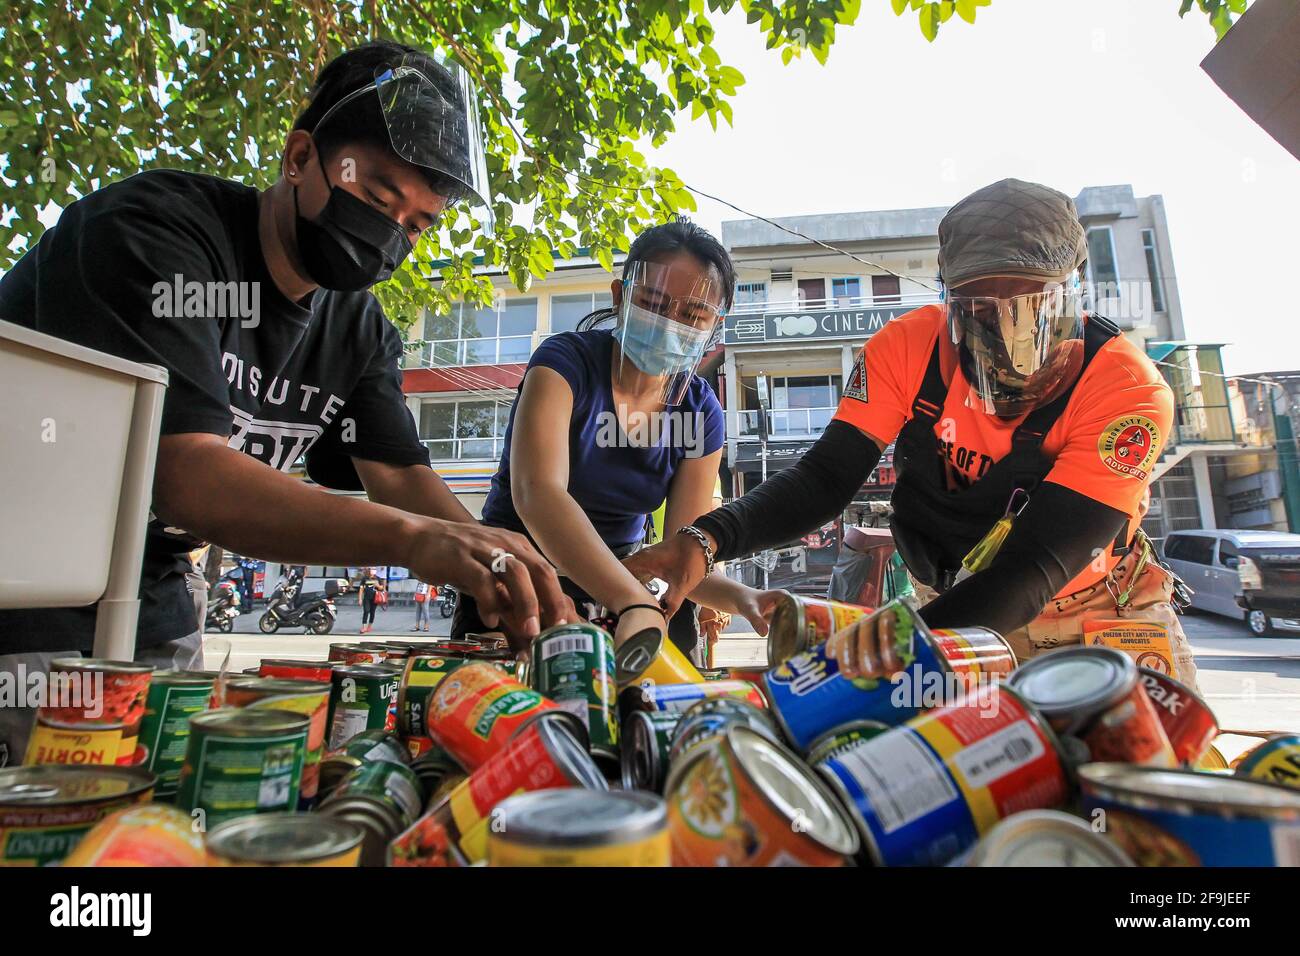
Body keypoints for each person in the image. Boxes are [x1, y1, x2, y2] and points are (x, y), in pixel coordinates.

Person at [0, 41, 574, 765]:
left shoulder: (359, 328)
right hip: (24, 595)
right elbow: (187, 477)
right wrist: (411, 542)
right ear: (301, 156)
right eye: (375, 198)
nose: (391, 236)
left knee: (162, 814)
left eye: (419, 224)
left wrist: (497, 561)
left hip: (153, 607)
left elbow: (399, 478)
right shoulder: (158, 235)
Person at [627, 179, 1199, 690]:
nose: (1006, 341)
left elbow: (1035, 566)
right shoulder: (908, 347)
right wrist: (706, 540)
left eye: (1030, 311)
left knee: (1146, 781)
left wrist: (878, 656)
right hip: (951, 597)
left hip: (1093, 607)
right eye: (979, 313)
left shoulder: (1127, 391)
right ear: (949, 300)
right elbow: (825, 479)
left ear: (1073, 294)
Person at [458, 219, 783, 652]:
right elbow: (538, 494)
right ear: (619, 296)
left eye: (692, 315)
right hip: (516, 588)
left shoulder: (701, 411)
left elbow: (679, 551)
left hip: (621, 600)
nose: (670, 324)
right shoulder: (563, 364)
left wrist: (745, 598)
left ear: (713, 327)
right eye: (653, 303)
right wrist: (630, 599)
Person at [358, 568, 384, 634]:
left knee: (372, 612)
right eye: (372, 569)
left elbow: (382, 588)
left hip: (375, 598)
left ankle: (369, 626)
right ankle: (364, 627)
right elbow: (361, 589)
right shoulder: (365, 578)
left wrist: (377, 585)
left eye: (374, 569)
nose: (373, 570)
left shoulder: (378, 578)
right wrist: (360, 598)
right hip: (366, 597)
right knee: (366, 611)